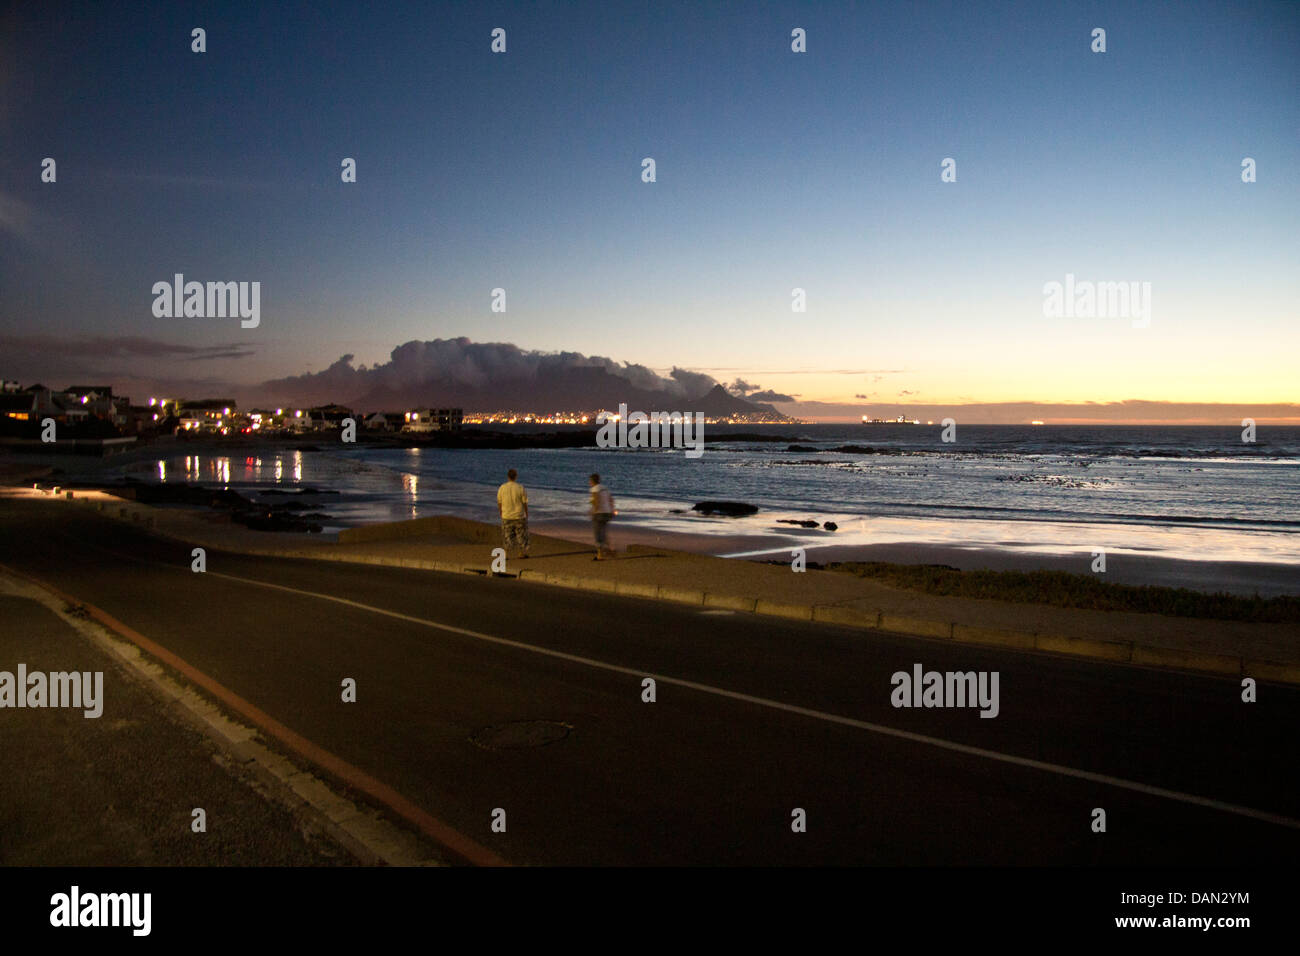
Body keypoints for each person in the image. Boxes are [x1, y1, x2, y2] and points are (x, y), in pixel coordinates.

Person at [497, 468, 529, 558]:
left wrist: (501, 512)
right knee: (521, 535)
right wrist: (526, 513)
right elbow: (524, 502)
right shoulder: (520, 487)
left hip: (506, 515)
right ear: (516, 476)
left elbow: (499, 502)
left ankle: (506, 554)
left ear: (508, 476)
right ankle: (521, 553)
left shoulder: (502, 487)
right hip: (519, 515)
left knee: (507, 535)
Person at [589, 473, 615, 559]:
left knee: (597, 534)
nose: (589, 483)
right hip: (607, 512)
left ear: (592, 481)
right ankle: (610, 550)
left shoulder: (594, 489)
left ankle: (600, 554)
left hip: (599, 513)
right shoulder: (605, 488)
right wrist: (612, 510)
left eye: (590, 481)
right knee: (603, 532)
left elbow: (596, 501)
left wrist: (593, 511)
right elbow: (611, 499)